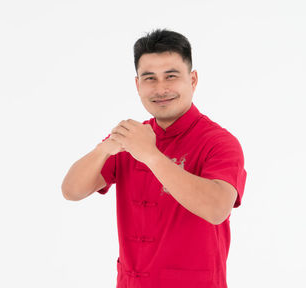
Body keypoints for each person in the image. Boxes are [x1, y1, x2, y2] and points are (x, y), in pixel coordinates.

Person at [61, 29, 247, 288]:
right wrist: (102, 149)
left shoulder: (218, 142)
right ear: (138, 85)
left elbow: (217, 209)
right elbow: (71, 191)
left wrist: (150, 155)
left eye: (171, 76)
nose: (161, 89)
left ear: (192, 80)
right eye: (150, 78)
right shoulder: (134, 136)